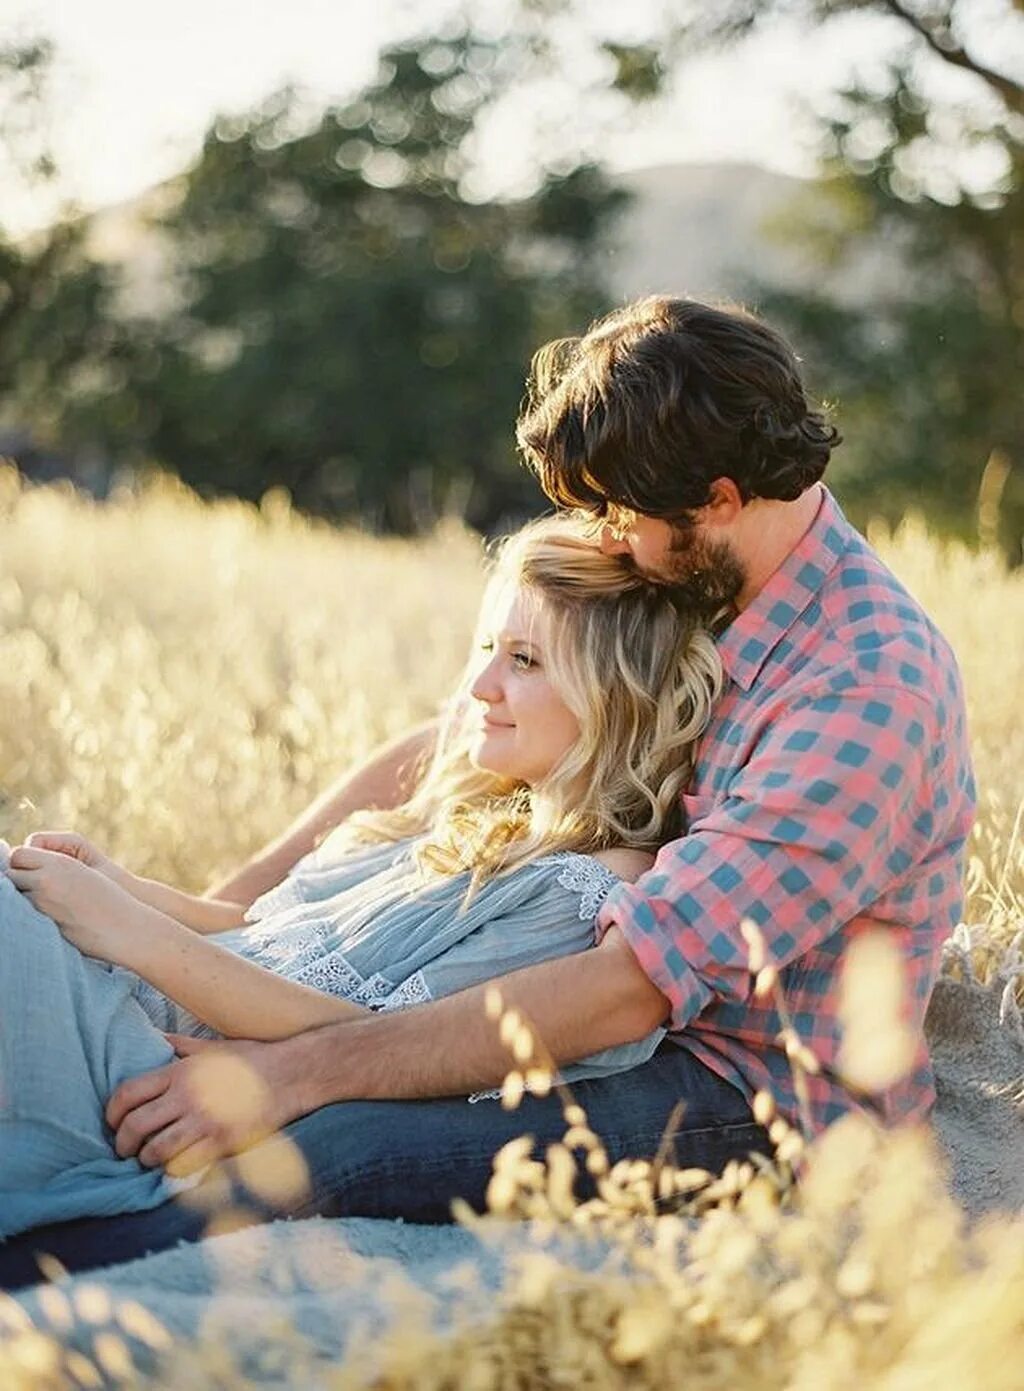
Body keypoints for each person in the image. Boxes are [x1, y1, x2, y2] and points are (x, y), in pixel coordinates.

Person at [0, 295, 975, 1287]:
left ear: (719, 495)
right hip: (601, 999)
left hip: (746, 1087)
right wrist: (235, 906)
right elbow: (461, 734)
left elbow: (626, 985)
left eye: (619, 513)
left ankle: (43, 1279)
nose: (600, 533)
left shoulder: (862, 688)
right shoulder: (691, 570)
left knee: (343, 1144)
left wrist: (293, 1070)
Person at [1, 515, 727, 1241]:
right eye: (487, 649)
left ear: (613, 698)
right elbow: (265, 935)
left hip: (145, 1059)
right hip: (128, 992)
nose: (480, 686)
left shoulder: (587, 888)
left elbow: (380, 1037)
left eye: (525, 661)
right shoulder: (474, 802)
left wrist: (136, 935)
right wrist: (124, 889)